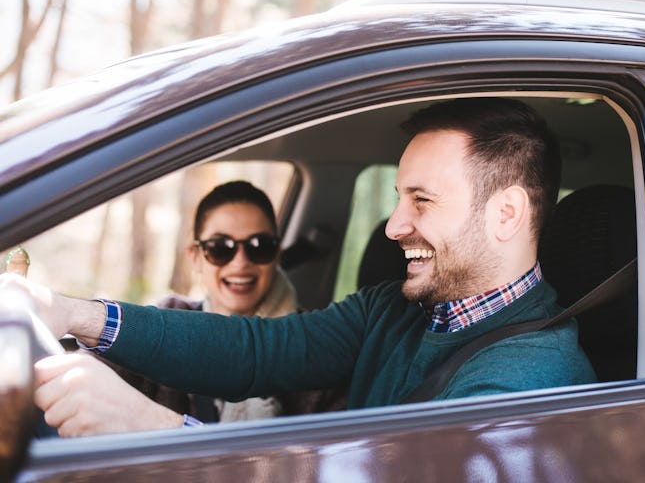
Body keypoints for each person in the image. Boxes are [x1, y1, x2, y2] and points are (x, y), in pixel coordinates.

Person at [5, 97, 596, 437]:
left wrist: (152, 432)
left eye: (422, 200)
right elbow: (256, 351)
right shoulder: (390, 309)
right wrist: (67, 312)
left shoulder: (530, 382)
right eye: (396, 198)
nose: (392, 226)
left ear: (507, 213)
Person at [96, 180, 345, 424]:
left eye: (259, 246)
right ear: (195, 257)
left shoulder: (315, 341)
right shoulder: (163, 322)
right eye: (220, 247)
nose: (240, 262)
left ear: (277, 255)